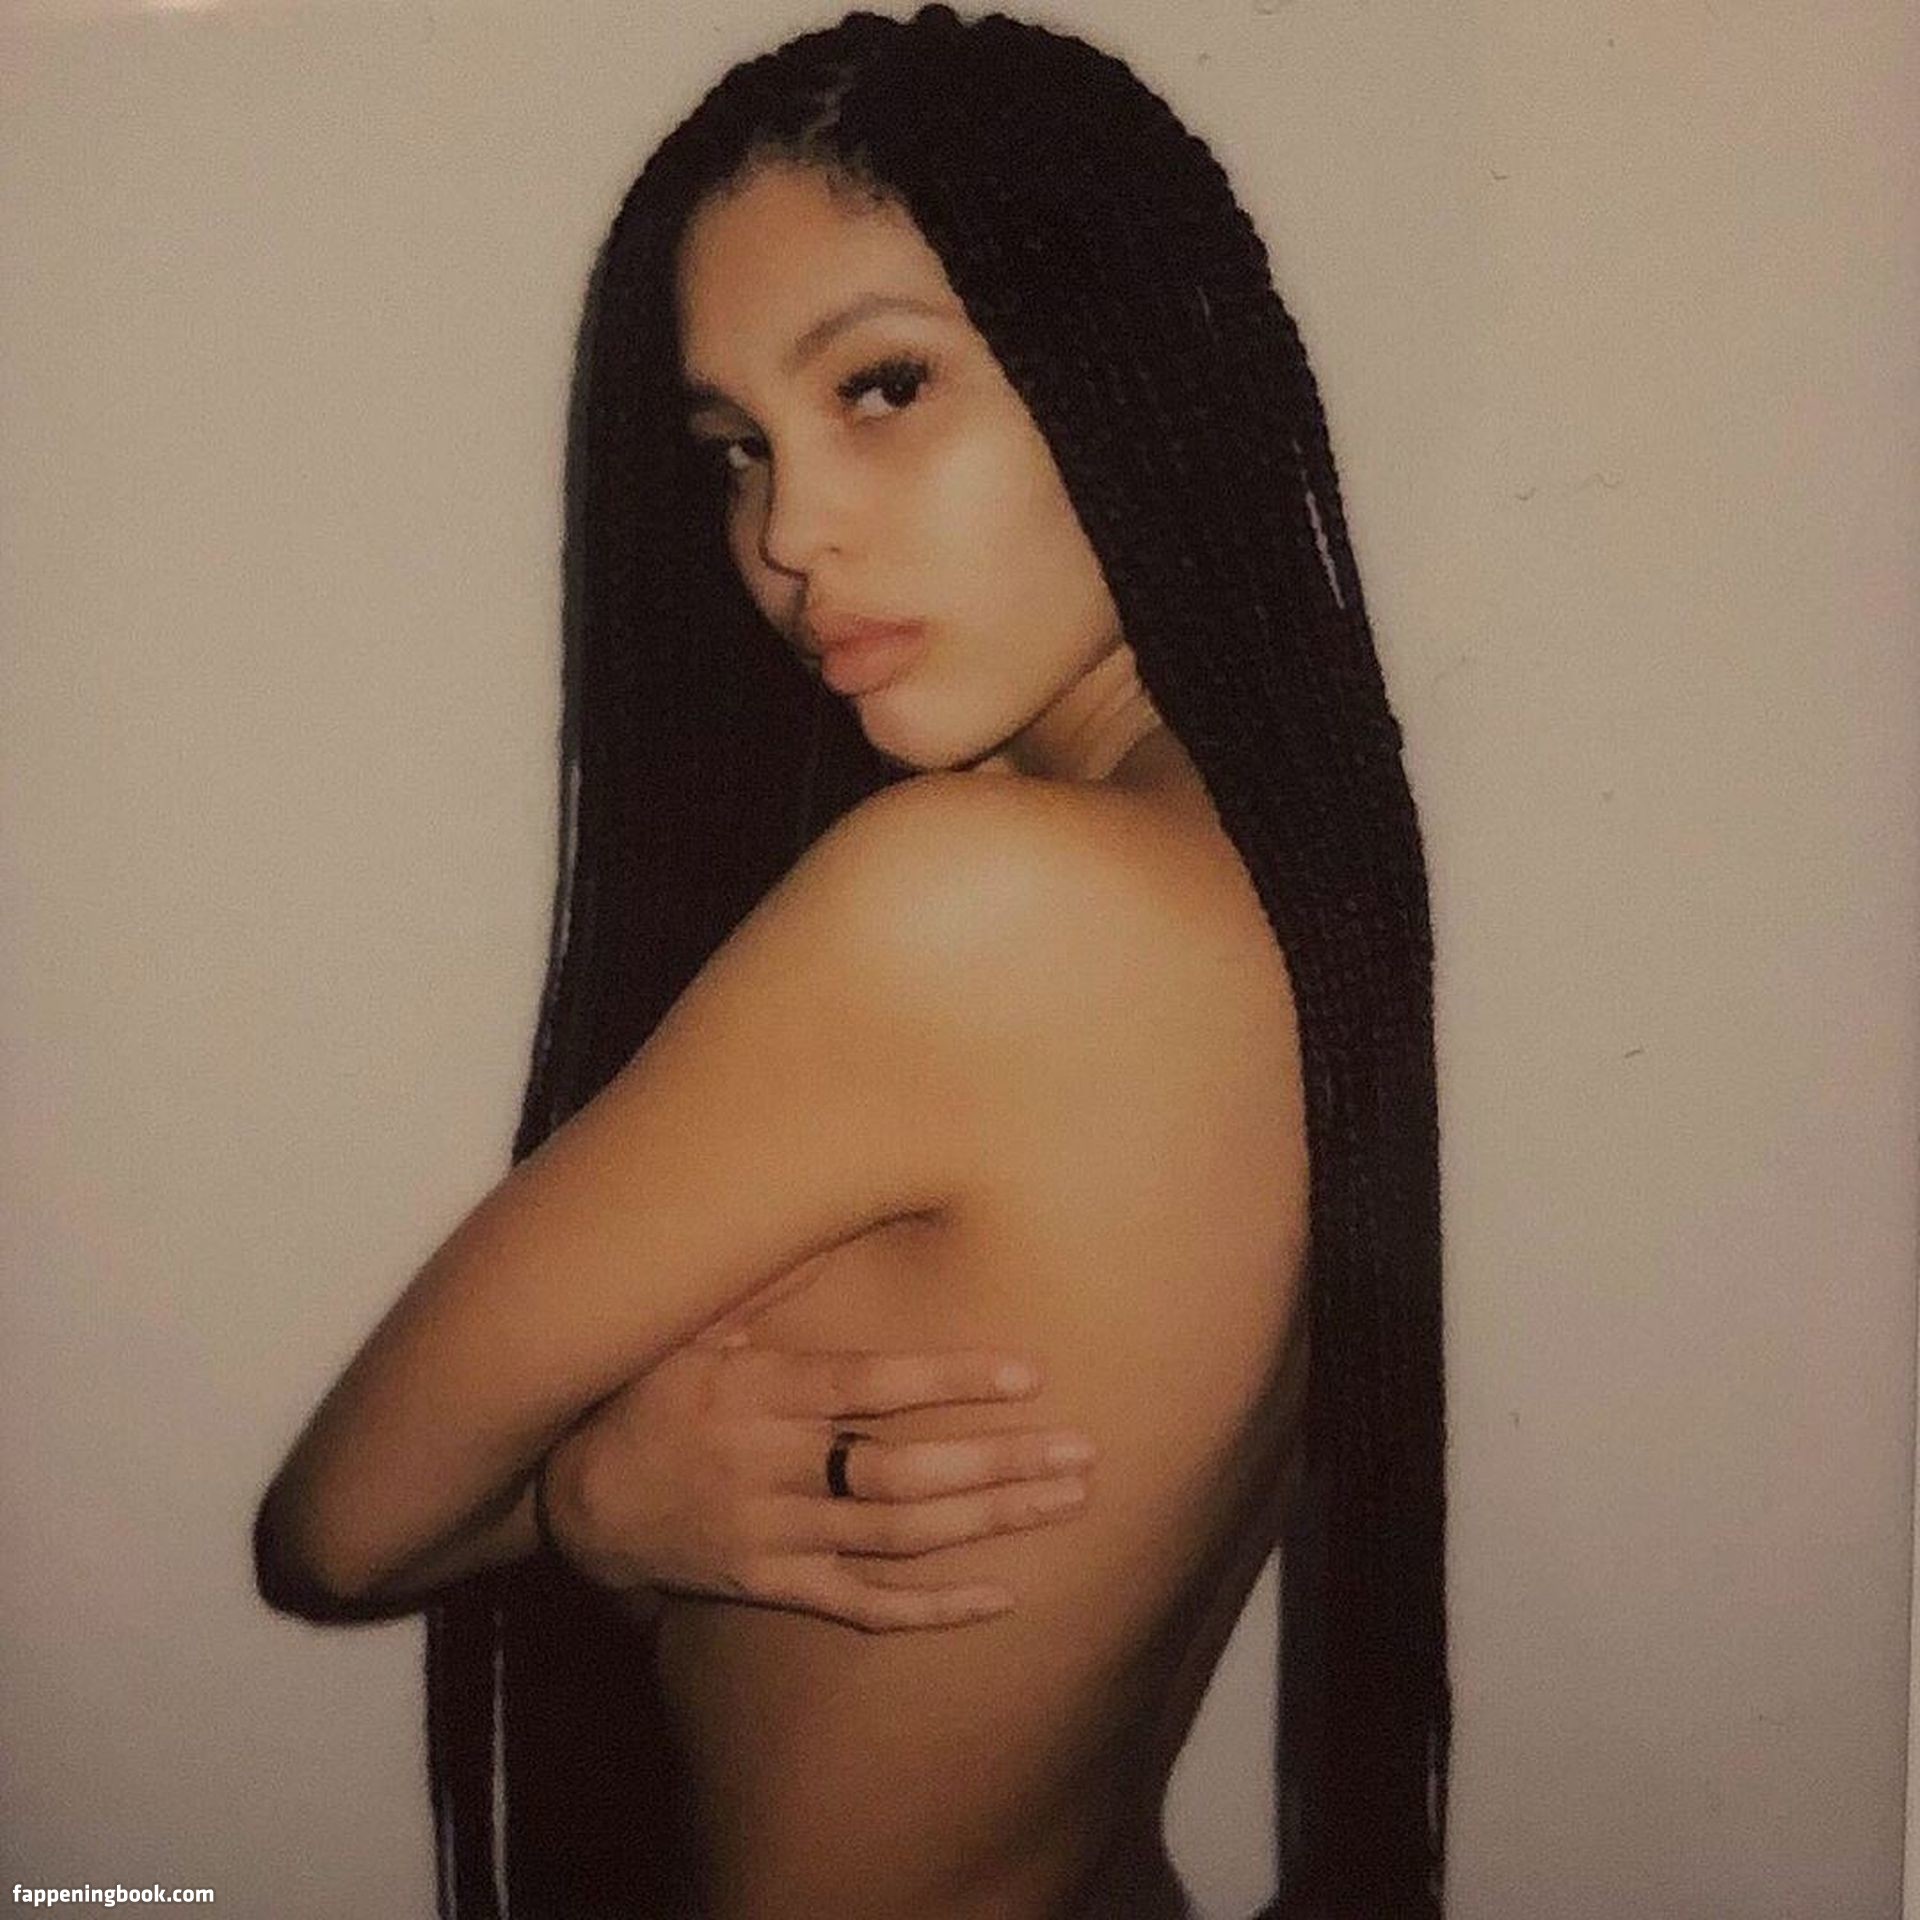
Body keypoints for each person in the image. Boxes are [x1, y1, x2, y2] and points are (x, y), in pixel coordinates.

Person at [252, 8, 1451, 1917]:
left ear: (1137, 360)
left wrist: (593, 1500)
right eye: (736, 448)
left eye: (884, 386)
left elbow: (339, 1528)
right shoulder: (1281, 878)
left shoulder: (976, 903)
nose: (789, 533)